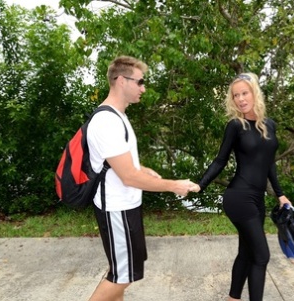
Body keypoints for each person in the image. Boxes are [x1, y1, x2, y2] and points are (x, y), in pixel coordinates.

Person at [86, 55, 196, 301]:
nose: (144, 88)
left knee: (122, 272)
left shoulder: (118, 116)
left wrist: (142, 168)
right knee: (123, 276)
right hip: (116, 208)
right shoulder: (106, 121)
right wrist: (173, 185)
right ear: (121, 81)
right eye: (140, 82)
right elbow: (128, 177)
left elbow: (118, 163)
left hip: (126, 206)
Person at [193, 72, 292, 301]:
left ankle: (233, 298)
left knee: (246, 252)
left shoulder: (270, 125)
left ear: (254, 92)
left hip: (257, 200)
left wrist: (280, 195)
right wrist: (201, 185)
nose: (240, 99)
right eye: (236, 95)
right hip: (239, 197)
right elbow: (220, 160)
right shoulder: (235, 126)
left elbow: (269, 165)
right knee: (262, 256)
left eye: (244, 93)